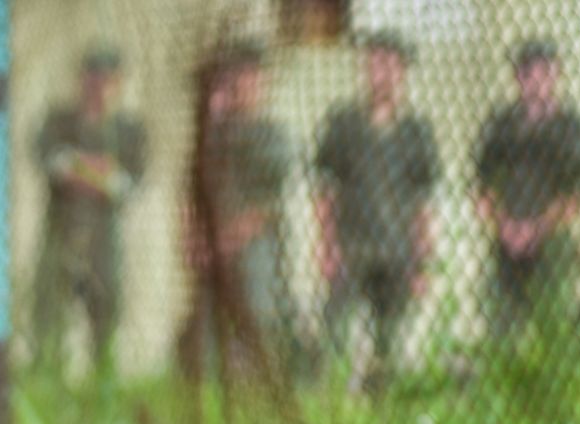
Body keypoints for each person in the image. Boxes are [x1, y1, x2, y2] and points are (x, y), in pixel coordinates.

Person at [312, 31, 439, 387]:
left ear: (403, 72)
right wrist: (326, 247)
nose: (382, 72)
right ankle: (332, 398)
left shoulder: (417, 132)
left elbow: (424, 204)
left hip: (397, 250)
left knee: (390, 340)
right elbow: (326, 193)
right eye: (375, 63)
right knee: (335, 330)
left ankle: (381, 405)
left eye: (391, 64)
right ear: (365, 69)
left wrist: (421, 262)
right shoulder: (343, 124)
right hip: (352, 245)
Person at [180, 39, 294, 381]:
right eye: (237, 76)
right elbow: (190, 191)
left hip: (252, 250)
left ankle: (259, 386)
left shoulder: (272, 137)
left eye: (250, 76)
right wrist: (192, 238)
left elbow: (262, 209)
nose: (243, 84)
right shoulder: (212, 136)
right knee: (206, 334)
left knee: (256, 322)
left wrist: (219, 242)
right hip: (212, 250)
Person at [32, 47, 148, 371]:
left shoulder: (128, 130)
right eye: (92, 78)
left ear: (119, 84)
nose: (98, 87)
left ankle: (103, 381)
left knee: (105, 311)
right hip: (61, 231)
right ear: (81, 80)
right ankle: (47, 375)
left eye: (107, 80)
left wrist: (82, 169)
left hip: (103, 237)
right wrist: (95, 171)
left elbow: (128, 182)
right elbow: (51, 161)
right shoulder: (60, 121)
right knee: (49, 308)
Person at [474, 40, 580, 338]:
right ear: (519, 78)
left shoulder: (570, 127)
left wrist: (536, 229)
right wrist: (506, 227)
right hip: (507, 238)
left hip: (552, 240)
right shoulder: (502, 125)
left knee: (554, 324)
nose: (536, 81)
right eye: (529, 73)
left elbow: (575, 197)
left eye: (544, 73)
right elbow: (483, 187)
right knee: (500, 326)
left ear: (556, 76)